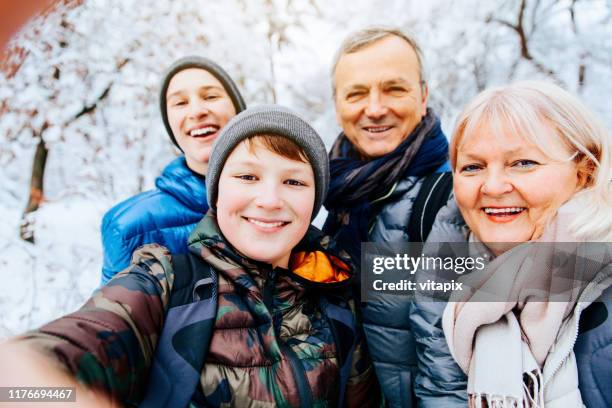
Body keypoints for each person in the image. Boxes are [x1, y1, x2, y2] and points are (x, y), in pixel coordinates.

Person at [0, 106, 381, 407]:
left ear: (314, 200)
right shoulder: (166, 283)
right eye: (247, 177)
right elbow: (74, 348)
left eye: (294, 181)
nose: (269, 200)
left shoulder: (336, 297)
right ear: (217, 192)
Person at [412, 81, 612, 407]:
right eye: (473, 167)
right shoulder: (445, 286)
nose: (492, 186)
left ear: (584, 172)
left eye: (523, 163)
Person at [323, 26, 451, 407]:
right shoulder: (328, 195)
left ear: (423, 96)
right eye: (357, 93)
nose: (375, 108)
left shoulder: (459, 199)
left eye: (394, 89)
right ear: (337, 104)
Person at [100, 56, 246, 284]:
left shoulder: (280, 199)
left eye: (211, 96)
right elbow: (110, 315)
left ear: (239, 111)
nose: (197, 111)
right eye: (180, 103)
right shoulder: (128, 228)